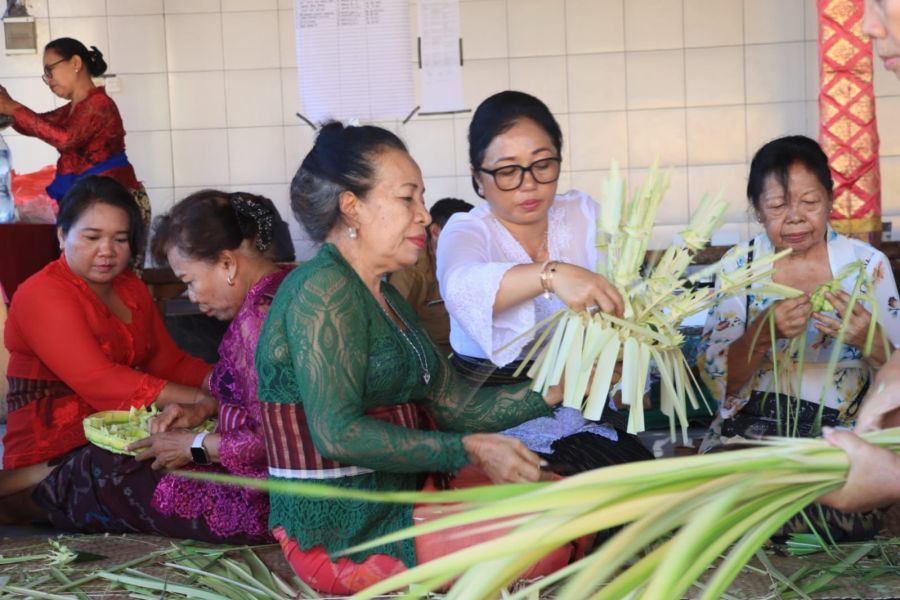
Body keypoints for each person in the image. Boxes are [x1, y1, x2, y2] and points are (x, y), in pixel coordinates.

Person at [257, 122, 588, 595]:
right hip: (343, 530)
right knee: (552, 531)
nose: (423, 216)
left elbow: (457, 407)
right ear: (352, 206)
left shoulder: (384, 295)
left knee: (574, 504)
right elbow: (337, 433)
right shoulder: (323, 288)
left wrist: (561, 386)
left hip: (399, 497)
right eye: (407, 198)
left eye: (421, 198)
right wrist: (469, 450)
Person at [27, 190, 291, 543]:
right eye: (92, 237)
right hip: (272, 483)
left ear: (228, 264)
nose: (192, 297)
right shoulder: (282, 291)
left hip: (264, 500)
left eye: (189, 282)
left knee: (107, 470)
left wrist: (193, 445)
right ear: (62, 235)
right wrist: (203, 408)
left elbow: (274, 440)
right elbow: (263, 401)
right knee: (103, 465)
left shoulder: (256, 320)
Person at [435, 90, 652, 471]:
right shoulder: (466, 230)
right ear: (478, 179)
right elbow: (460, 287)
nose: (528, 184)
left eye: (542, 164)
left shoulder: (582, 215)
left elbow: (629, 294)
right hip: (496, 422)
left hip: (583, 414)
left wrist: (626, 363)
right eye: (507, 171)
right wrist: (551, 275)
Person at [0, 176, 210, 524]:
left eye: (121, 239)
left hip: (120, 436)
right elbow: (102, 382)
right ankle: (17, 494)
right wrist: (203, 401)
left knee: (200, 452)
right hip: (53, 452)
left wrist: (224, 382)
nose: (107, 251)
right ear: (60, 235)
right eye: (92, 237)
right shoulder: (42, 293)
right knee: (176, 477)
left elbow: (168, 361)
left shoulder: (131, 288)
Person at [698, 135, 900, 450]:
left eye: (810, 202)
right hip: (750, 438)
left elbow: (897, 380)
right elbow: (718, 383)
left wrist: (871, 340)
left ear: (830, 200)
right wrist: (762, 334)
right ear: (758, 210)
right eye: (778, 206)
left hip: (847, 439)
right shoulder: (740, 266)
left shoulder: (867, 264)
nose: (795, 217)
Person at [818, 0, 900, 512]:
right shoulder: (745, 265)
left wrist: (893, 476)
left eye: (881, 2)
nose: (868, 27)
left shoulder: (865, 263)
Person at [0, 38, 150, 264]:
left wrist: (11, 107)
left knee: (117, 276)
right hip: (95, 202)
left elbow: (65, 139)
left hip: (117, 203)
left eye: (50, 70)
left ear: (76, 62)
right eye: (45, 74)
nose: (48, 80)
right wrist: (10, 106)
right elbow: (37, 125)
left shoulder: (99, 104)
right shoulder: (75, 108)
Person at [389, 197, 473, 354]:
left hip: (468, 352)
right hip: (431, 356)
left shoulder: (473, 262)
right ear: (435, 231)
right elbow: (393, 328)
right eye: (462, 234)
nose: (470, 242)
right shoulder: (412, 270)